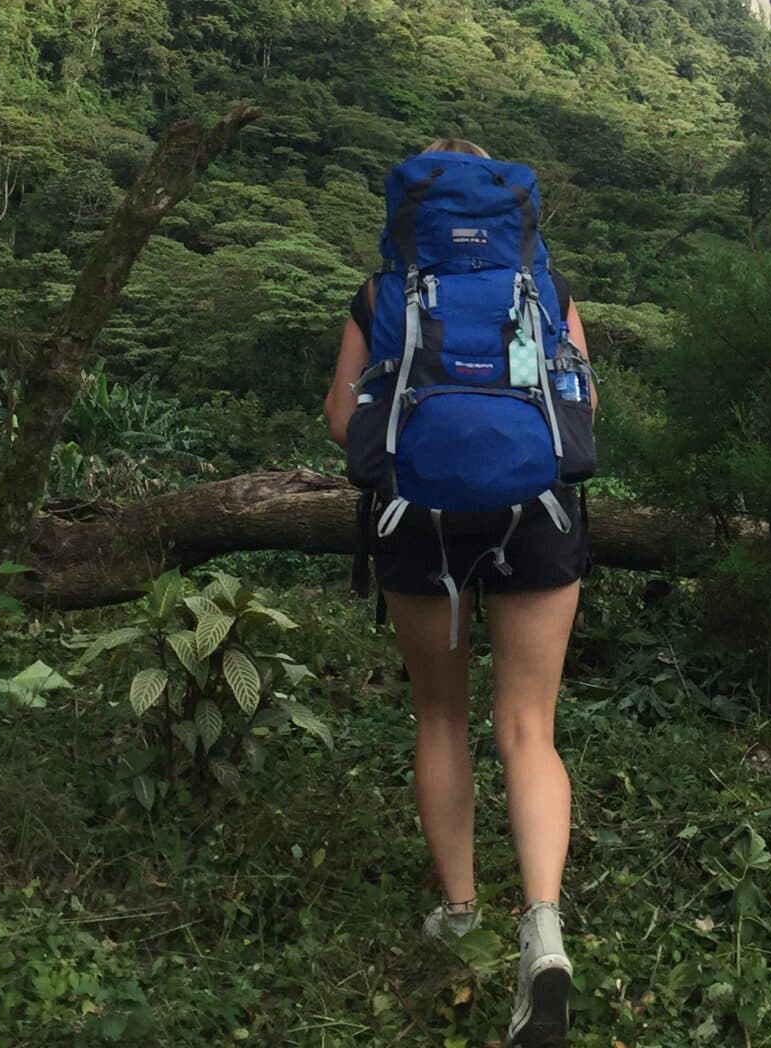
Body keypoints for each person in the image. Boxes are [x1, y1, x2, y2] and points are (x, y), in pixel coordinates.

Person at [324, 137, 593, 1048]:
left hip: (418, 520)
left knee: (440, 717)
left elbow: (341, 421)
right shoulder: (543, 286)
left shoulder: (381, 292)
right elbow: (578, 405)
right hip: (538, 510)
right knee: (529, 726)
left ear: (410, 211)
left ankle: (463, 912)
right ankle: (545, 929)